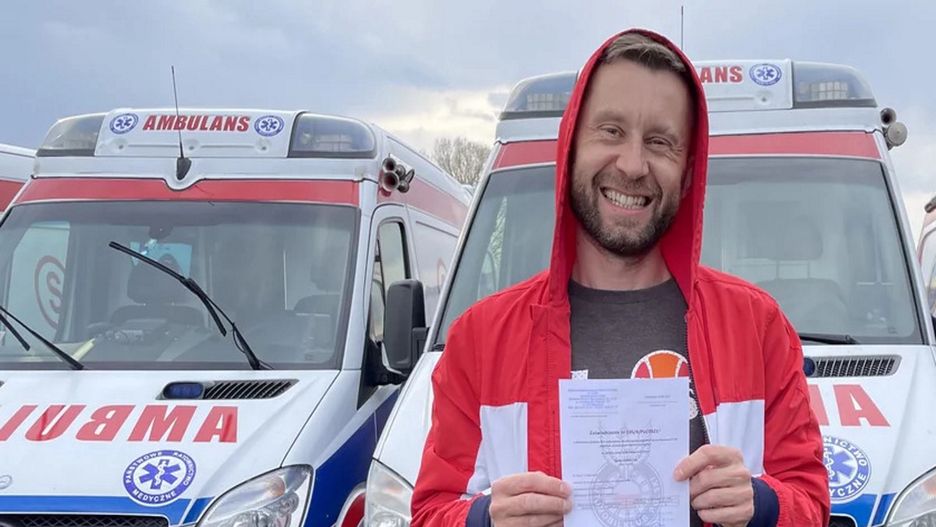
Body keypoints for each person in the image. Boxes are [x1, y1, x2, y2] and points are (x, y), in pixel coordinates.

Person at [411, 29, 829, 527]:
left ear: (688, 172)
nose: (632, 165)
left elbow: (811, 501)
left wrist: (763, 505)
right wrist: (483, 519)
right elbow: (430, 512)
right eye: (610, 131)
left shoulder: (757, 326)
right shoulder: (480, 339)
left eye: (660, 142)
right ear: (570, 147)